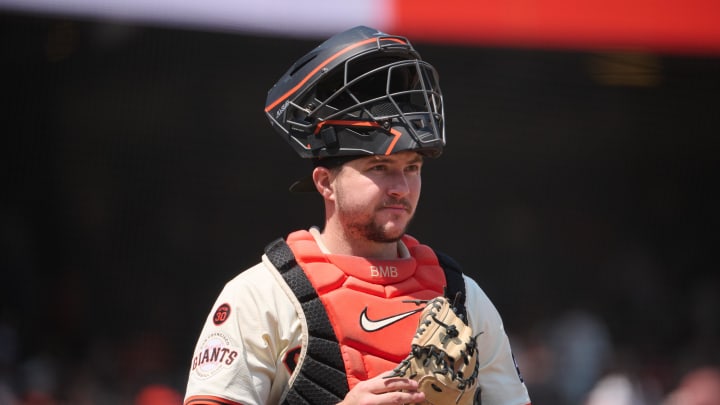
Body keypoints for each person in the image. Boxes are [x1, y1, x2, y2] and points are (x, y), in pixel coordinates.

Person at [183, 25, 531, 405]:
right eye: (379, 167)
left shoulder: (462, 297)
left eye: (412, 167)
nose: (400, 186)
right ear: (325, 183)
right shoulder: (261, 296)